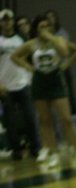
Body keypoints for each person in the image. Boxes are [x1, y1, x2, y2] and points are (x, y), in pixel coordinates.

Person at [11, 14, 76, 169]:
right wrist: (28, 68)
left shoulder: (58, 41)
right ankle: (53, 153)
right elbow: (15, 56)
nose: (45, 29)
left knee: (66, 119)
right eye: (42, 27)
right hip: (40, 83)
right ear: (36, 29)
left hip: (56, 81)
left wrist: (51, 38)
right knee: (45, 120)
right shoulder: (31, 44)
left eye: (47, 26)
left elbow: (65, 52)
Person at [0, 8, 41, 160]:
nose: (7, 23)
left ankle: (35, 147)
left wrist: (30, 77)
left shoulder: (21, 38)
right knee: (10, 120)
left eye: (9, 19)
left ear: (13, 21)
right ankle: (15, 149)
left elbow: (31, 58)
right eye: (3, 20)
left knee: (30, 117)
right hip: (5, 85)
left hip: (23, 82)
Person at [45, 9, 76, 114]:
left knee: (68, 92)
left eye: (53, 17)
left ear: (56, 19)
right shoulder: (43, 36)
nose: (51, 20)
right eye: (48, 18)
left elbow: (66, 51)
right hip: (48, 68)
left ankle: (74, 115)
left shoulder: (61, 33)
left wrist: (66, 64)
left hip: (62, 67)